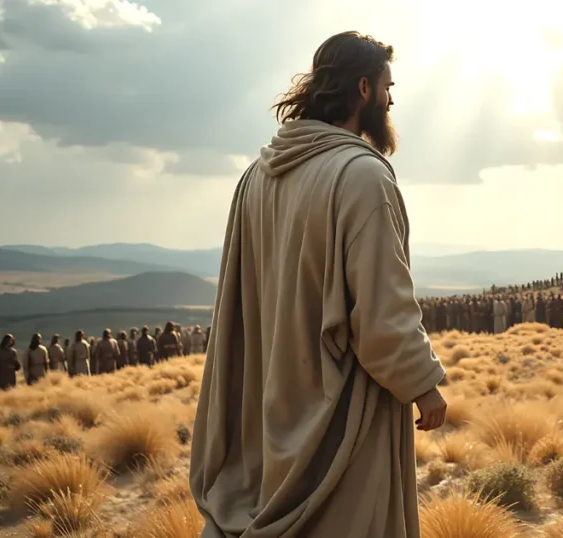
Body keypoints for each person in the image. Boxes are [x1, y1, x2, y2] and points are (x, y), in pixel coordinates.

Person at [190, 32, 447, 538]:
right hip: (337, 413)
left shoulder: (255, 176)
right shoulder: (361, 175)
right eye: (389, 87)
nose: (393, 100)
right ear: (364, 88)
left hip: (267, 408)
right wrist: (424, 386)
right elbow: (381, 314)